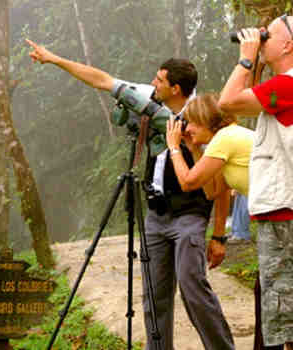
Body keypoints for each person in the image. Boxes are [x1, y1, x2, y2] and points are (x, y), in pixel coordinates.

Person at [25, 40, 235, 350]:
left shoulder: (202, 117)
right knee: (153, 295)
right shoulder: (147, 98)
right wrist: (54, 59)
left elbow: (222, 184)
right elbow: (100, 78)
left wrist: (219, 236)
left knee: (194, 289)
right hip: (156, 214)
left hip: (190, 214)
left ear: (175, 88)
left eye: (160, 79)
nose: (153, 83)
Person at [218, 15, 293, 350]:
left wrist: (246, 57)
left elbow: (227, 103)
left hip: (289, 220)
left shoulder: (289, 85)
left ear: (286, 45)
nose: (261, 39)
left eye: (267, 35)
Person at [165, 92, 254, 264]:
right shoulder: (228, 136)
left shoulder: (225, 137)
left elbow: (188, 182)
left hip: (288, 214)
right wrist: (195, 150)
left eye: (191, 122)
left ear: (205, 118)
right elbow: (213, 191)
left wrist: (174, 148)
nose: (188, 129)